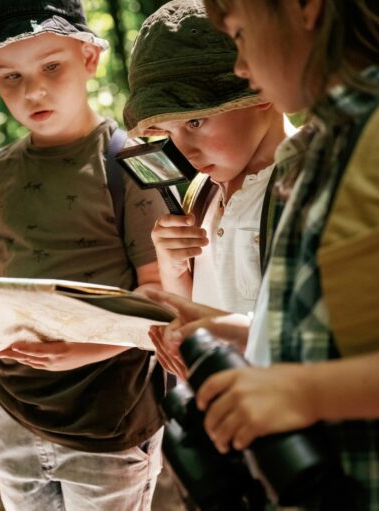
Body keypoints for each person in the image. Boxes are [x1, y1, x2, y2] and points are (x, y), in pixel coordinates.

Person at [151, 0, 379, 508]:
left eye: (241, 34)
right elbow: (366, 337)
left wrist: (300, 393)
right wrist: (242, 333)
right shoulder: (324, 153)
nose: (240, 67)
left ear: (304, 8)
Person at [0, 0, 169, 509]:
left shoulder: (143, 160)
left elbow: (164, 297)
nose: (33, 90)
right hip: (13, 411)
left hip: (108, 415)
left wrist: (83, 349)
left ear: (90, 57)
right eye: (11, 76)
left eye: (52, 66)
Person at [123, 0, 293, 379]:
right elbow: (192, 301)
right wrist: (173, 264)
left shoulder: (302, 185)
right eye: (167, 132)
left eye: (196, 121)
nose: (183, 150)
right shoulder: (200, 192)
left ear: (258, 88)